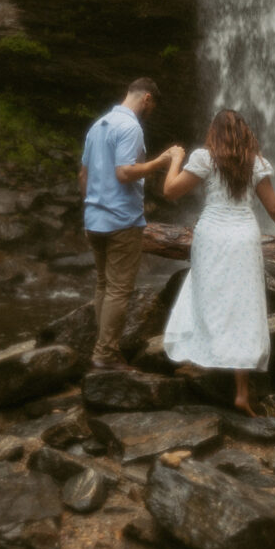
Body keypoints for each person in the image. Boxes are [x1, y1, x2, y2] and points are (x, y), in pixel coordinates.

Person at [161, 109, 275, 415]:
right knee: (243, 306)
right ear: (244, 134)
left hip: (212, 235)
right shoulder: (255, 163)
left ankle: (199, 358)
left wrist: (174, 159)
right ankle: (242, 391)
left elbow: (169, 191)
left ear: (214, 133)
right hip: (243, 236)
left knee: (205, 295)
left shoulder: (204, 158)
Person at [79, 77, 172, 370]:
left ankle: (105, 347)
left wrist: (91, 206)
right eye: (152, 105)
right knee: (119, 289)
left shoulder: (98, 126)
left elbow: (83, 175)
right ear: (146, 99)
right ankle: (105, 353)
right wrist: (161, 162)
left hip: (94, 218)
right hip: (121, 220)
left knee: (104, 284)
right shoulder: (130, 127)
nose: (151, 111)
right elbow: (124, 172)